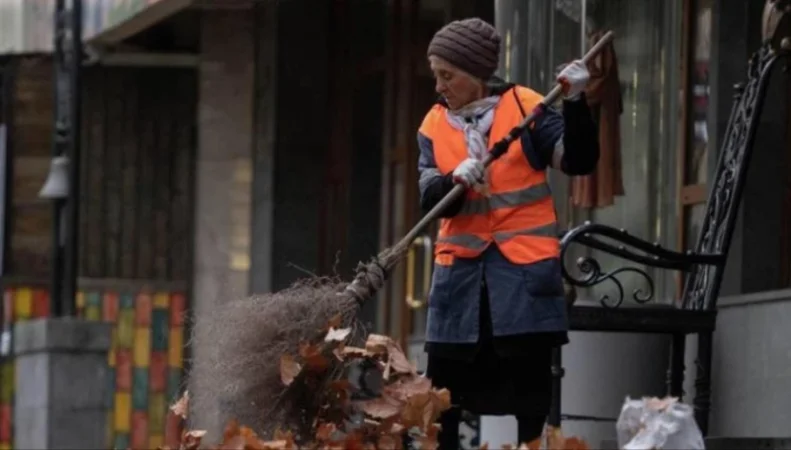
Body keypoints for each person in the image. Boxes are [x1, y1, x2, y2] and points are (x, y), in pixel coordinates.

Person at [417, 17, 600, 448]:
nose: (440, 86)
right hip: (459, 287)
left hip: (521, 281)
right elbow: (429, 196)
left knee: (529, 396)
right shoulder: (434, 124)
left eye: (448, 75)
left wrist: (575, 103)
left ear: (477, 73)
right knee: (444, 398)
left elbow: (577, 160)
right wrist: (453, 181)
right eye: (436, 76)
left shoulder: (526, 107)